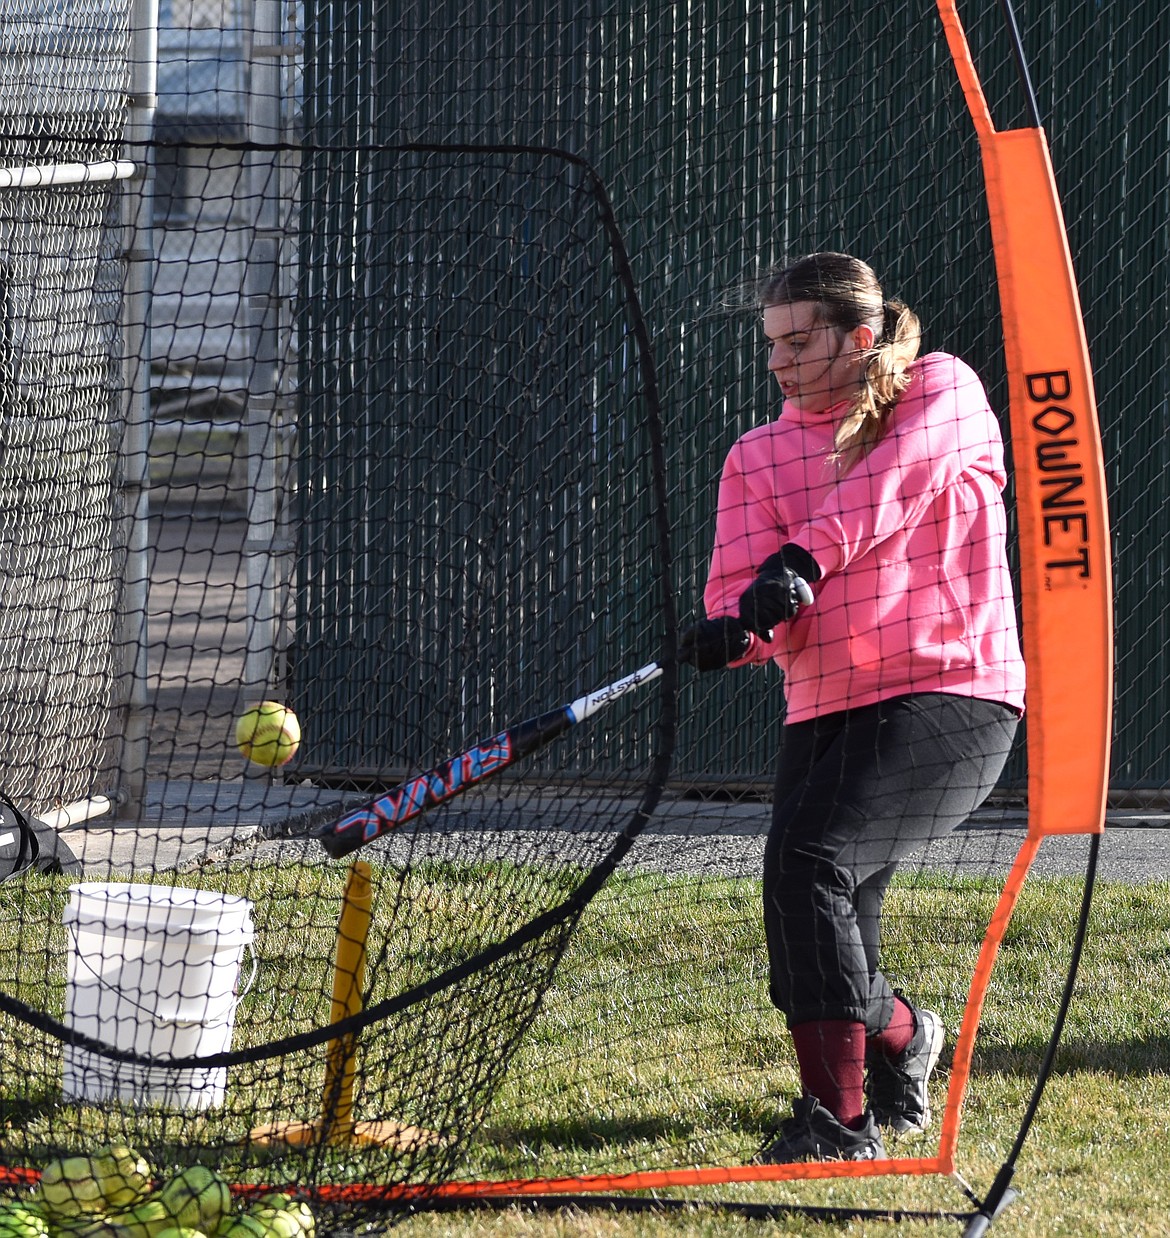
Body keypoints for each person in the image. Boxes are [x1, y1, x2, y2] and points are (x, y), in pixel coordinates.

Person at [679, 252, 1025, 1163]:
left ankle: (836, 1125)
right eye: (771, 345)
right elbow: (743, 597)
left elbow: (889, 488)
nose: (778, 362)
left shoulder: (942, 390)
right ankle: (905, 1038)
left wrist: (801, 560)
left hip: (952, 692)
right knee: (805, 923)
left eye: (799, 342)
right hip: (823, 706)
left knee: (812, 867)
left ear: (859, 337)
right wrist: (735, 633)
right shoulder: (755, 455)